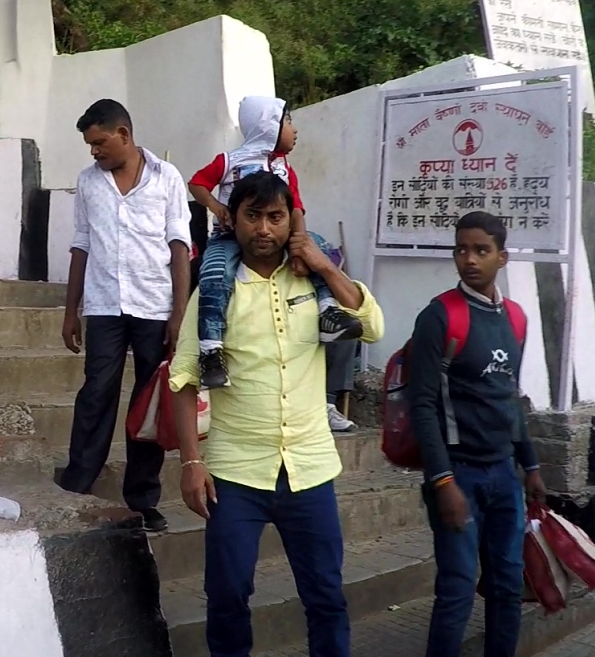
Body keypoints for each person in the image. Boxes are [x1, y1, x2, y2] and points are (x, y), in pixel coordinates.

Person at [170, 171, 385, 657]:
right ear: (235, 221)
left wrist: (326, 268)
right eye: (253, 216)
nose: (264, 229)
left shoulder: (314, 282)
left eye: (275, 217)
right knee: (226, 597)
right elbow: (183, 379)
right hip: (236, 474)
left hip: (309, 471)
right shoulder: (216, 290)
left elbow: (371, 325)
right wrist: (189, 462)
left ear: (292, 223)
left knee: (326, 596)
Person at [408, 211, 547, 657]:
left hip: (505, 478)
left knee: (507, 585)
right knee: (457, 588)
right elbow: (423, 406)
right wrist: (442, 481)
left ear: (501, 257)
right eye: (461, 249)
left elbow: (510, 396)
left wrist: (530, 464)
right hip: (458, 476)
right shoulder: (439, 316)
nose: (469, 259)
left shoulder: (517, 320)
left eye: (481, 250)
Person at [58, 99, 192, 533]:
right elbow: (81, 245)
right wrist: (70, 311)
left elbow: (179, 246)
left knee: (149, 403)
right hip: (103, 306)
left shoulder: (167, 178)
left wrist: (179, 312)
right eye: (90, 145)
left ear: (124, 135)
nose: (94, 151)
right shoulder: (88, 183)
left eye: (99, 142)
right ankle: (77, 485)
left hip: (155, 306)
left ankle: (143, 500)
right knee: (96, 393)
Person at [188, 96, 362, 390]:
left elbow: (296, 209)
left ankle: (328, 311)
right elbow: (197, 183)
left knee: (319, 256)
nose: (295, 130)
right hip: (231, 237)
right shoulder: (230, 160)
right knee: (214, 274)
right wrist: (218, 208)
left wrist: (301, 244)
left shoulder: (284, 168)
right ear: (268, 125)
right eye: (288, 122)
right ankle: (210, 350)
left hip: (279, 240)